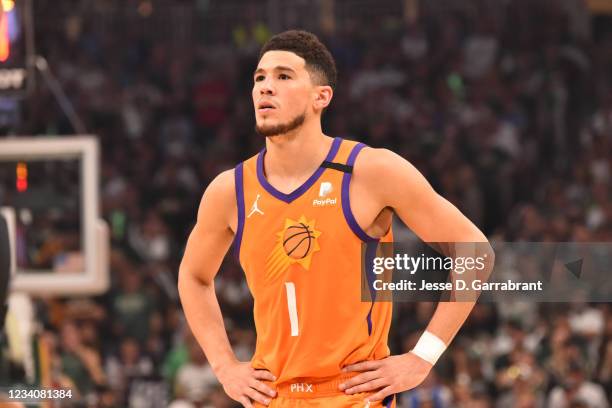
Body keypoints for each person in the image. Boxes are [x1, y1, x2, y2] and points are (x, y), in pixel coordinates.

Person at [178, 30, 493, 408]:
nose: (265, 88)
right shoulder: (230, 191)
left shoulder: (372, 171)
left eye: (283, 76)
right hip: (272, 397)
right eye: (259, 78)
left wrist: (422, 356)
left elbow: (475, 252)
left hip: (354, 396)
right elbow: (194, 277)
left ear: (321, 96)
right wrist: (225, 366)